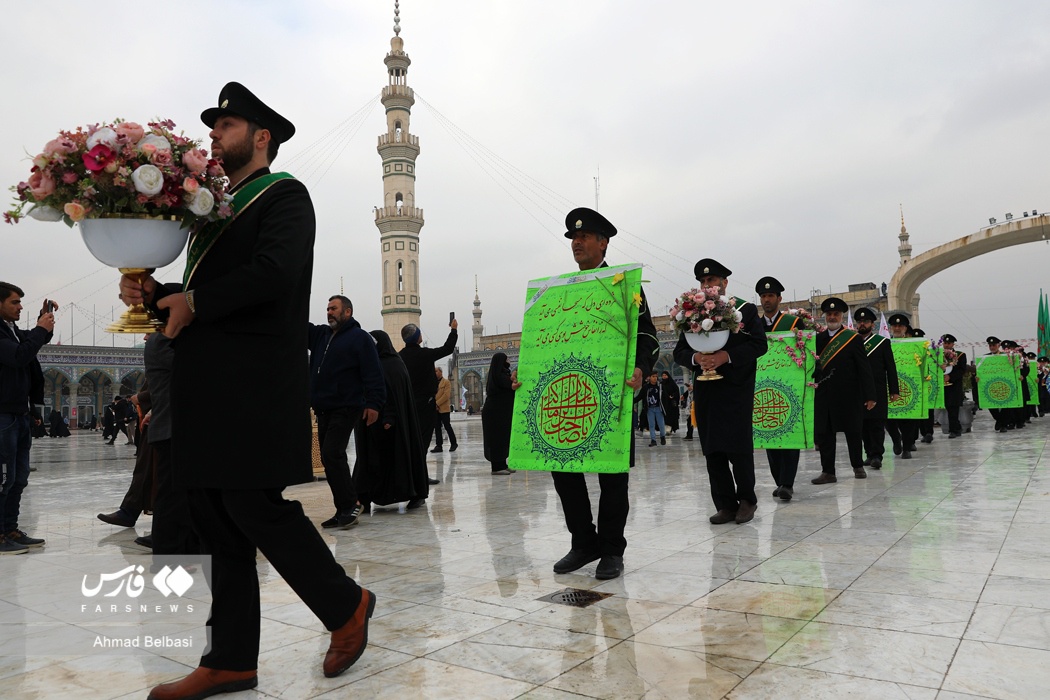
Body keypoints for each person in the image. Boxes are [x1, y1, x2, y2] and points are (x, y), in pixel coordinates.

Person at [120, 82, 374, 699]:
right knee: (214, 518)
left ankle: (346, 606)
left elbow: (274, 273)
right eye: (213, 126)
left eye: (226, 125)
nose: (214, 135)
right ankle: (231, 658)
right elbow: (205, 296)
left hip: (253, 386)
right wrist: (155, 297)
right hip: (206, 384)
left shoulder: (284, 197)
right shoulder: (216, 211)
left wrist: (197, 299)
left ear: (262, 137)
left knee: (254, 507)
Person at [552, 207, 659, 581]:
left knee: (612, 475)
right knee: (563, 468)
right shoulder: (561, 290)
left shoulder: (622, 284)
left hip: (612, 396)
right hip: (569, 396)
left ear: (603, 243)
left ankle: (612, 549)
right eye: (572, 239)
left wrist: (640, 367)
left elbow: (646, 334)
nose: (577, 243)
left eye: (584, 237)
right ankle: (584, 542)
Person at [674, 259, 767, 523]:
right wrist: (696, 359)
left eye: (712, 280)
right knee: (712, 448)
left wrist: (727, 356)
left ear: (724, 283)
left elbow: (759, 345)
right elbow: (681, 351)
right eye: (703, 281)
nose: (707, 285)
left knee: (738, 447)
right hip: (706, 389)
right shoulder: (690, 314)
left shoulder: (745, 311)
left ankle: (747, 499)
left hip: (736, 389)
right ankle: (725, 504)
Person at [308, 295, 385, 530]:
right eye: (327, 309)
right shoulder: (321, 336)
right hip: (324, 407)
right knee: (328, 458)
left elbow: (373, 373)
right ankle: (343, 508)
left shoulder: (359, 339)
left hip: (347, 405)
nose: (329, 312)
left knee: (333, 453)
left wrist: (374, 404)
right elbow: (298, 327)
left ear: (348, 312)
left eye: (334, 308)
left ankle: (351, 503)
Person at [0, 281, 53, 555]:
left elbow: (29, 348)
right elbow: (19, 357)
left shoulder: (12, 331)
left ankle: (10, 529)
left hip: (18, 415)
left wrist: (42, 327)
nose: (20, 307)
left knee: (18, 478)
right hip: (3, 416)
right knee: (3, 477)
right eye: (14, 302)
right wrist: (41, 330)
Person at [353, 330, 429, 510]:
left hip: (393, 425)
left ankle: (416, 494)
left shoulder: (394, 364)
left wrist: (390, 417)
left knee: (399, 456)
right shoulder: (371, 364)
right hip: (371, 423)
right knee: (369, 459)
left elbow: (394, 396)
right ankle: (364, 496)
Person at [810, 297, 876, 484]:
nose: (832, 317)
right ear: (824, 316)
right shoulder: (817, 339)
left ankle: (857, 465)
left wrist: (870, 395)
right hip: (824, 393)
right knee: (825, 434)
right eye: (829, 314)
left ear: (841, 315)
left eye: (836, 314)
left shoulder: (853, 338)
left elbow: (864, 368)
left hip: (849, 394)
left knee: (853, 431)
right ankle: (828, 472)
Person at [755, 276, 802, 499]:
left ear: (779, 298)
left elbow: (804, 350)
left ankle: (787, 483)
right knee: (770, 434)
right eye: (763, 296)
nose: (766, 300)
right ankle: (779, 481)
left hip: (789, 385)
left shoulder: (793, 324)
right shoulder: (753, 326)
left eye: (770, 295)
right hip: (763, 387)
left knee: (789, 432)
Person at [400, 320, 457, 486]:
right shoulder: (425, 354)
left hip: (409, 405)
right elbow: (447, 348)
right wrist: (453, 330)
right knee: (423, 442)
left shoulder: (400, 356)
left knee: (412, 442)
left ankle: (415, 477)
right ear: (418, 338)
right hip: (426, 405)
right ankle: (420, 478)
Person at [854, 306, 899, 470]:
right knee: (863, 425)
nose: (862, 324)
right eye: (859, 322)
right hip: (858, 390)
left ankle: (877, 455)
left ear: (872, 324)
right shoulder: (853, 342)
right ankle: (869, 453)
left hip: (878, 389)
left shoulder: (882, 343)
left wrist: (894, 390)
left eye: (865, 321)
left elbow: (891, 367)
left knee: (877, 424)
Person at [886, 314, 919, 457]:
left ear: (906, 328)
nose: (897, 328)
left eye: (900, 326)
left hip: (909, 386)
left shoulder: (915, 346)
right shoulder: (885, 344)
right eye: (895, 326)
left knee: (908, 419)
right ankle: (895, 439)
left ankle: (906, 448)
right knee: (888, 418)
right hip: (889, 385)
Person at [481, 352, 518, 475]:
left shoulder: (503, 374)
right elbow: (509, 385)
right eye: (506, 359)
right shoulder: (498, 376)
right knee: (496, 440)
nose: (509, 361)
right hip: (494, 414)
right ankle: (496, 467)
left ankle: (502, 464)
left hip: (501, 414)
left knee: (503, 438)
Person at [941, 334, 967, 438]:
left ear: (953, 344)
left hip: (954, 386)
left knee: (953, 408)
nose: (946, 345)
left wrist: (950, 377)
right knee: (947, 408)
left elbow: (962, 370)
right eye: (945, 343)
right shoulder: (938, 355)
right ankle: (956, 427)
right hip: (942, 386)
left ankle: (953, 430)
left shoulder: (960, 355)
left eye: (949, 343)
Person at [430, 367, 458, 453]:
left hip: (444, 409)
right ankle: (439, 446)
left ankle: (453, 443)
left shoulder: (446, 382)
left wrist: (437, 403)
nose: (435, 373)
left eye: (436, 371)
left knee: (447, 426)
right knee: (437, 427)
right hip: (435, 409)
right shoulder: (433, 383)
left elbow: (446, 395)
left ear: (441, 372)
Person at [638, 372, 667, 447]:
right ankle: (653, 440)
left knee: (661, 424)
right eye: (653, 376)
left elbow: (665, 396)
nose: (655, 378)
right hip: (650, 409)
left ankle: (662, 437)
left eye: (656, 376)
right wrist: (632, 401)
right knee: (651, 425)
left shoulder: (660, 386)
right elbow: (640, 396)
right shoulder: (646, 387)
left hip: (658, 408)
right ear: (649, 377)